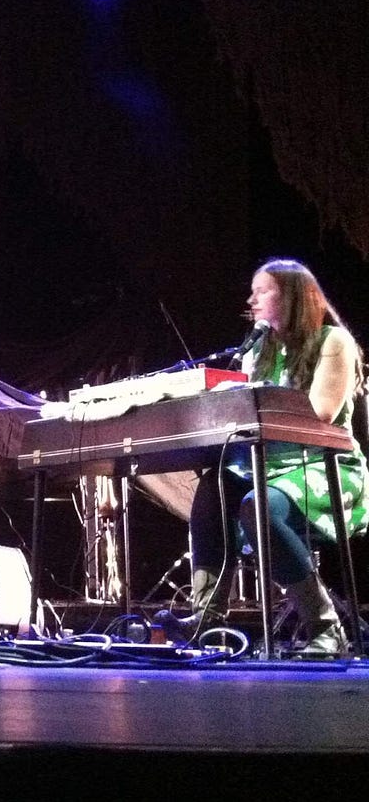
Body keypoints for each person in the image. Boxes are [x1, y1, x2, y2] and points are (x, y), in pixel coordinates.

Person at [158, 258, 367, 656]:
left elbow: (321, 412)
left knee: (258, 507)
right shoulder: (258, 352)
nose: (251, 299)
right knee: (213, 489)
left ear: (293, 297)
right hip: (266, 463)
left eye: (263, 290)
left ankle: (325, 625)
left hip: (323, 464)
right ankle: (207, 617)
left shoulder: (333, 342)